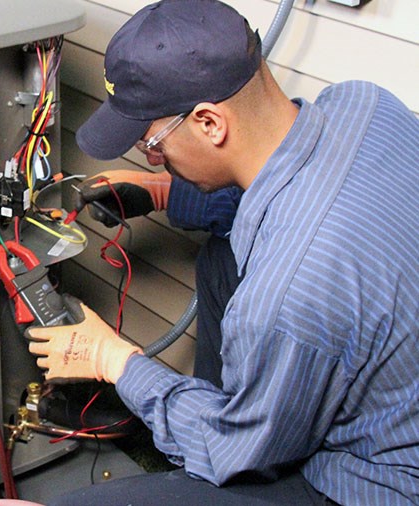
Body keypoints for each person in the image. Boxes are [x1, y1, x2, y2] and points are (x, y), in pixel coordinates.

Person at [26, 0, 419, 504]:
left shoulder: (287, 297)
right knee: (221, 259)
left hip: (378, 479)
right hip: (395, 378)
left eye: (153, 144)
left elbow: (237, 446)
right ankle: (214, 420)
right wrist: (163, 191)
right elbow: (291, 185)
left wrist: (113, 359)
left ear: (210, 123)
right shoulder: (362, 103)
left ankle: (212, 437)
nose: (154, 157)